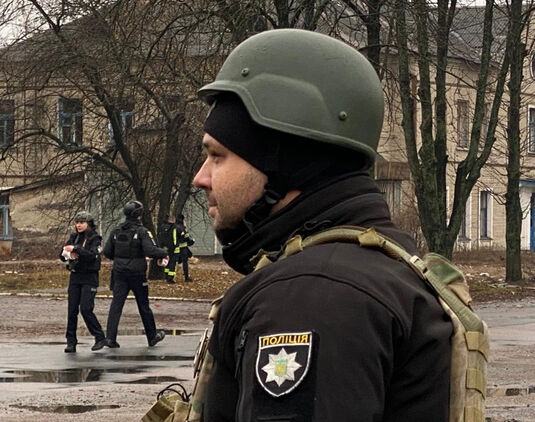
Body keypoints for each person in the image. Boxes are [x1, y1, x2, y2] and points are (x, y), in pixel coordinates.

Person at [190, 30, 453, 420]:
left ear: (285, 164)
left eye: (217, 156)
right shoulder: (381, 264)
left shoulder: (309, 299)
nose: (201, 177)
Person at [103, 200, 169, 348]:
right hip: (137, 274)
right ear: (139, 214)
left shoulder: (116, 230)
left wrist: (119, 259)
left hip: (119, 273)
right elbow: (150, 250)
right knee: (143, 305)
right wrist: (164, 253)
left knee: (116, 305)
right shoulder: (142, 231)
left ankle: (110, 338)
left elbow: (107, 252)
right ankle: (152, 336)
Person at [60, 211, 107, 353]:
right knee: (72, 310)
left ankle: (99, 336)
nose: (79, 225)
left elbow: (92, 255)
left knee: (86, 309)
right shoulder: (74, 237)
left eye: (82, 222)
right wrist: (67, 254)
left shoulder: (95, 238)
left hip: (89, 277)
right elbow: (62, 254)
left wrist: (77, 249)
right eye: (77, 223)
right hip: (75, 276)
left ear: (88, 224)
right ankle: (71, 341)